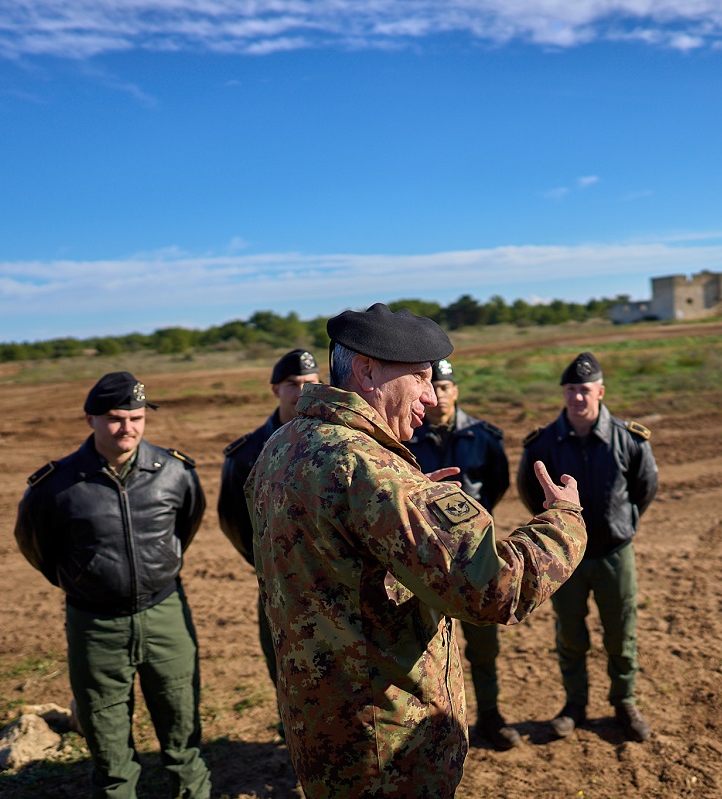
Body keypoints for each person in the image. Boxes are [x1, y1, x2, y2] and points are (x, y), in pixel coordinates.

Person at [246, 303, 588, 799]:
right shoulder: (368, 469)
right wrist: (564, 520)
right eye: (421, 378)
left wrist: (393, 512)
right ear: (366, 370)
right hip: (387, 747)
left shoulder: (285, 444)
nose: (432, 396)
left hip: (321, 730)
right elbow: (497, 588)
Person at [15, 371, 210, 799]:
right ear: (91, 420)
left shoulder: (175, 472)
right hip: (95, 626)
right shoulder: (56, 485)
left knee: (183, 735)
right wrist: (85, 582)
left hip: (165, 616)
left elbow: (186, 527)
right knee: (108, 749)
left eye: (137, 417)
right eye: (116, 418)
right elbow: (36, 547)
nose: (128, 428)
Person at [517, 351, 658, 743]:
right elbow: (530, 491)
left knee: (621, 631)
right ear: (563, 393)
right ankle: (574, 705)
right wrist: (560, 532)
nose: (577, 398)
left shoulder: (628, 439)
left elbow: (644, 489)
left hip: (615, 553)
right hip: (565, 560)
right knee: (570, 633)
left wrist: (621, 525)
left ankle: (624, 702)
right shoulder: (544, 442)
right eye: (571, 390)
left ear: (600, 392)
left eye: (585, 390)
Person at [404, 358, 519, 750]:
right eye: (435, 388)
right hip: (424, 565)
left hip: (475, 562)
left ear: (456, 390)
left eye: (448, 387)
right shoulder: (404, 436)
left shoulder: (484, 436)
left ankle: (490, 716)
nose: (440, 397)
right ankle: (434, 729)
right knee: (425, 652)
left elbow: (497, 485)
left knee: (484, 647)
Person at [218, 349, 320, 691]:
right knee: (287, 673)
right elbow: (233, 520)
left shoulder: (338, 441)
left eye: (311, 382)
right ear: (275, 388)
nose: (302, 390)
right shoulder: (246, 454)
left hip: (338, 584)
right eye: (293, 383)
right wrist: (271, 563)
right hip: (279, 588)